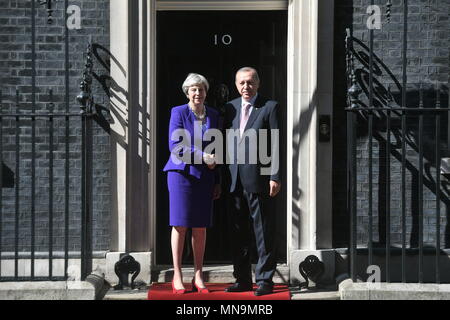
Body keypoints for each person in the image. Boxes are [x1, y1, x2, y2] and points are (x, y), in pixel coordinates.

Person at [224, 67, 281, 296]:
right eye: (242, 83)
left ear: (258, 84)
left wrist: (275, 176)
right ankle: (243, 279)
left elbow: (276, 143)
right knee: (238, 231)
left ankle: (265, 280)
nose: (246, 87)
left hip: (259, 179)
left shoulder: (270, 107)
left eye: (250, 82)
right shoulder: (230, 108)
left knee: (263, 231)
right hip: (234, 179)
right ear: (236, 85)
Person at [163, 73, 221, 294]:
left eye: (201, 89)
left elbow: (217, 149)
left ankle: (198, 274)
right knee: (180, 224)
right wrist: (202, 156)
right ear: (187, 92)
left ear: (206, 92)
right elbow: (175, 145)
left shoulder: (214, 115)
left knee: (200, 226)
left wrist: (217, 180)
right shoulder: (178, 112)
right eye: (193, 89)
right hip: (181, 174)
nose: (198, 93)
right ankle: (177, 274)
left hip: (206, 176)